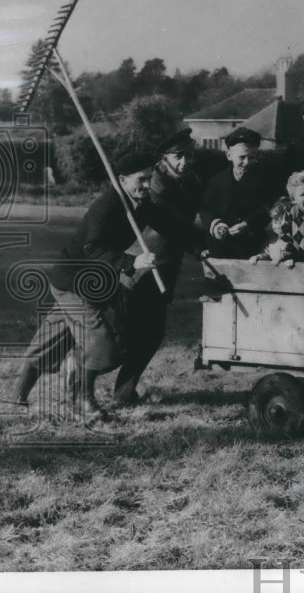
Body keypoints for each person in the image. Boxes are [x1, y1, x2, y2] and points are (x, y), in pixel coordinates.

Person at [11, 150, 206, 418]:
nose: (147, 184)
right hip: (74, 281)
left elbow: (172, 226)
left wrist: (199, 248)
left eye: (149, 178)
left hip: (96, 282)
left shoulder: (141, 202)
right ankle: (83, 400)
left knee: (54, 336)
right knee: (100, 339)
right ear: (123, 179)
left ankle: (17, 396)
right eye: (141, 179)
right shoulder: (108, 204)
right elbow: (93, 249)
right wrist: (131, 263)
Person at [112, 127, 203, 405]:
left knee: (152, 334)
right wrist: (199, 240)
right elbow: (172, 222)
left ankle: (124, 392)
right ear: (164, 158)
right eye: (178, 156)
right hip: (140, 267)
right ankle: (83, 380)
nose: (184, 162)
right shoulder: (155, 183)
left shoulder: (192, 181)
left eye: (188, 155)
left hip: (166, 268)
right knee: (125, 334)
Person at [200, 127, 280, 259]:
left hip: (251, 244)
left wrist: (248, 224)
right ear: (229, 155)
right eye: (242, 157)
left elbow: (268, 208)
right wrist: (216, 224)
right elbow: (206, 208)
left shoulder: (265, 181)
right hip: (221, 244)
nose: (247, 162)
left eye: (252, 157)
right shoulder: (216, 181)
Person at [250, 170, 304, 267]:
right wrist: (285, 256)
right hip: (297, 258)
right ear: (293, 199)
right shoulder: (292, 213)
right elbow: (286, 238)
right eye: (303, 194)